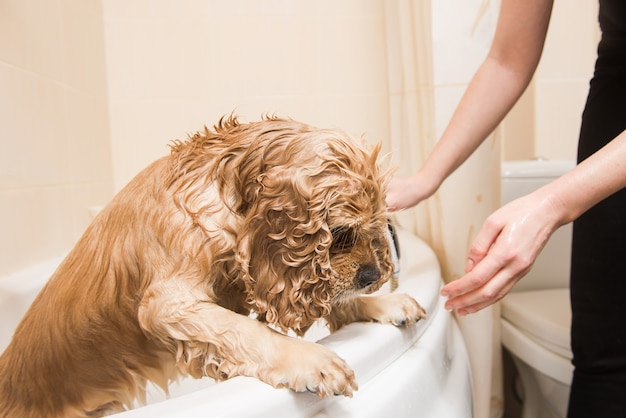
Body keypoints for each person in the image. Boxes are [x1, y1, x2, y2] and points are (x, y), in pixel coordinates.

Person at [385, 0, 626, 416]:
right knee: (603, 352)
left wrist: (552, 203)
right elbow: (506, 60)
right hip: (616, 105)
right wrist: (427, 177)